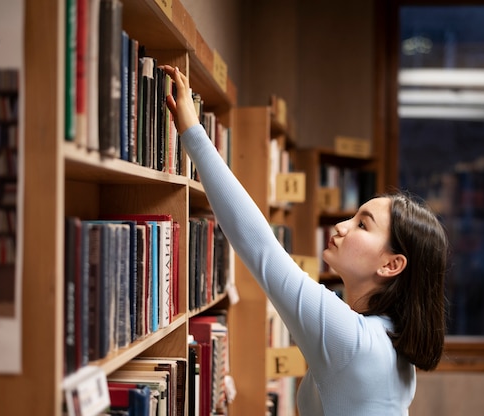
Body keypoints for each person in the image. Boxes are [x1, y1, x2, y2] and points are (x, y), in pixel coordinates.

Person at [162, 64, 448, 416]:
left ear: (391, 264)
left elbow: (259, 246)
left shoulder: (350, 338)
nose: (341, 227)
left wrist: (193, 134)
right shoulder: (395, 345)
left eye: (362, 225)